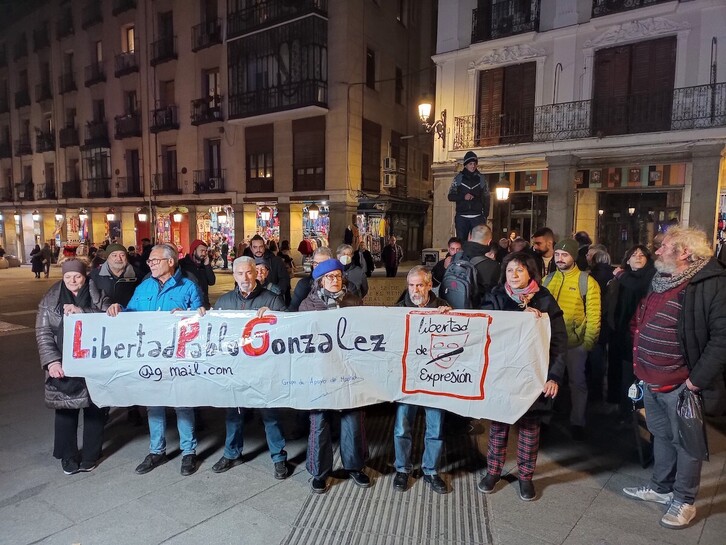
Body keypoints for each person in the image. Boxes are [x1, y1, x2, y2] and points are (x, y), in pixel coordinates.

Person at [623, 226, 726, 529]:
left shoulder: (711, 284)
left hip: (682, 384)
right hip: (650, 378)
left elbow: (722, 339)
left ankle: (684, 500)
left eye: (664, 246)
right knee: (662, 435)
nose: (656, 251)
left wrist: (694, 382)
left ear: (685, 252)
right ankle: (660, 487)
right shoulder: (660, 279)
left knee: (687, 444)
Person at [106, 244, 204, 476]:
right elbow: (133, 314)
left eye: (155, 260)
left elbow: (202, 319)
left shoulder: (188, 287)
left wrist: (189, 314)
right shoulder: (144, 286)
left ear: (171, 262)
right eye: (149, 261)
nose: (150, 264)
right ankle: (156, 451)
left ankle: (188, 451)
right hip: (151, 356)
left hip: (178, 357)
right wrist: (119, 309)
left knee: (183, 404)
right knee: (154, 405)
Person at [479, 252, 567, 501]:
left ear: (530, 272)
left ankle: (526, 476)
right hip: (502, 374)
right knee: (498, 424)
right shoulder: (495, 297)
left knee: (529, 426)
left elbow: (559, 341)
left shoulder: (545, 300)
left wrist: (554, 376)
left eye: (519, 270)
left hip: (533, 375)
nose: (514, 275)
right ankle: (493, 471)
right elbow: (485, 329)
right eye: (509, 270)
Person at [211, 256, 289, 479]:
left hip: (263, 370)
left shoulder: (272, 300)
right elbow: (215, 332)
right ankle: (231, 452)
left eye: (248, 273)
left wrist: (277, 317)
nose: (244, 278)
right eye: (239, 274)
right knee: (233, 414)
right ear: (233, 275)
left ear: (257, 273)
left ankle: (278, 457)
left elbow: (288, 332)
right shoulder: (224, 302)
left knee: (270, 415)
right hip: (236, 369)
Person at [299, 259, 371, 494]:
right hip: (320, 372)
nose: (334, 280)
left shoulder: (353, 300)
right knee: (319, 422)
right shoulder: (307, 305)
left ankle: (355, 466)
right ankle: (319, 472)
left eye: (338, 276)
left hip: (349, 370)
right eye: (329, 277)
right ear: (320, 280)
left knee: (353, 420)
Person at [36, 258, 111, 474]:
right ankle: (68, 456)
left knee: (95, 408)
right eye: (68, 277)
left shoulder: (97, 293)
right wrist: (52, 362)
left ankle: (91, 453)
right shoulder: (50, 299)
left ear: (84, 276)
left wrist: (83, 312)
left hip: (94, 359)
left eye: (77, 276)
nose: (73, 280)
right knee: (65, 411)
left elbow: (110, 318)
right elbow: (43, 333)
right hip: (64, 361)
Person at [393, 266, 451, 495]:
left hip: (435, 378)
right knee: (401, 426)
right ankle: (402, 469)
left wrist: (452, 315)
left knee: (435, 427)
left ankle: (431, 470)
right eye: (411, 285)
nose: (415, 290)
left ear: (429, 285)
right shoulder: (399, 309)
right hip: (408, 378)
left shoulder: (443, 307)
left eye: (419, 285)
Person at [542, 238, 601, 441]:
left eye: (564, 255)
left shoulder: (587, 282)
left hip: (575, 345)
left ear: (573, 257)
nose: (559, 258)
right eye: (557, 254)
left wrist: (587, 344)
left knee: (577, 383)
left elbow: (594, 317)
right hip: (550, 343)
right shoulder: (548, 280)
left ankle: (577, 422)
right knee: (548, 382)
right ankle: (544, 420)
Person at [606, 245, 656, 412]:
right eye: (634, 254)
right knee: (616, 368)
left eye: (642, 255)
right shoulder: (619, 280)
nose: (638, 257)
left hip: (636, 333)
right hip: (618, 330)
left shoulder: (648, 278)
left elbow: (638, 286)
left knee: (631, 374)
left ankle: (630, 409)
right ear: (628, 259)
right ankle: (617, 403)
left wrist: (620, 274)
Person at [586, 248, 613, 404]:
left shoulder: (593, 277)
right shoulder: (613, 276)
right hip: (606, 324)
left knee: (594, 358)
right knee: (600, 358)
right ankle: (599, 392)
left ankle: (594, 393)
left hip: (596, 322)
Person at [447, 151, 490, 241]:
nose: (473, 166)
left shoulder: (482, 179)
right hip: (462, 217)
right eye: (470, 164)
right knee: (461, 243)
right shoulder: (458, 178)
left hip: (477, 216)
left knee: (478, 242)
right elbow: (450, 196)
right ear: (465, 165)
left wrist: (485, 215)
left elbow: (486, 197)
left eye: (474, 164)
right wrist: (463, 197)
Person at [461, 223, 500, 305]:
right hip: (478, 311)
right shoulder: (493, 266)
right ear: (489, 242)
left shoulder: (455, 257)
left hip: (452, 309)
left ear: (470, 237)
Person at [288, 247, 333, 312]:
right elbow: (293, 309)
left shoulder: (339, 284)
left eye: (322, 264)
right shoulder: (304, 285)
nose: (318, 267)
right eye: (315, 263)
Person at [249, 235, 291, 304]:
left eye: (261, 247)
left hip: (273, 299)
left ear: (264, 247)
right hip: (253, 300)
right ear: (251, 248)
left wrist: (277, 291)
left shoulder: (276, 261)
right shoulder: (246, 262)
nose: (258, 250)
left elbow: (284, 279)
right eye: (255, 247)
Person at [179, 239, 216, 309]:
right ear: (194, 250)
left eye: (205, 251)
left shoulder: (204, 265)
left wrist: (207, 265)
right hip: (187, 304)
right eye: (201, 251)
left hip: (203, 304)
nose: (204, 254)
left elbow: (212, 282)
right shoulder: (182, 264)